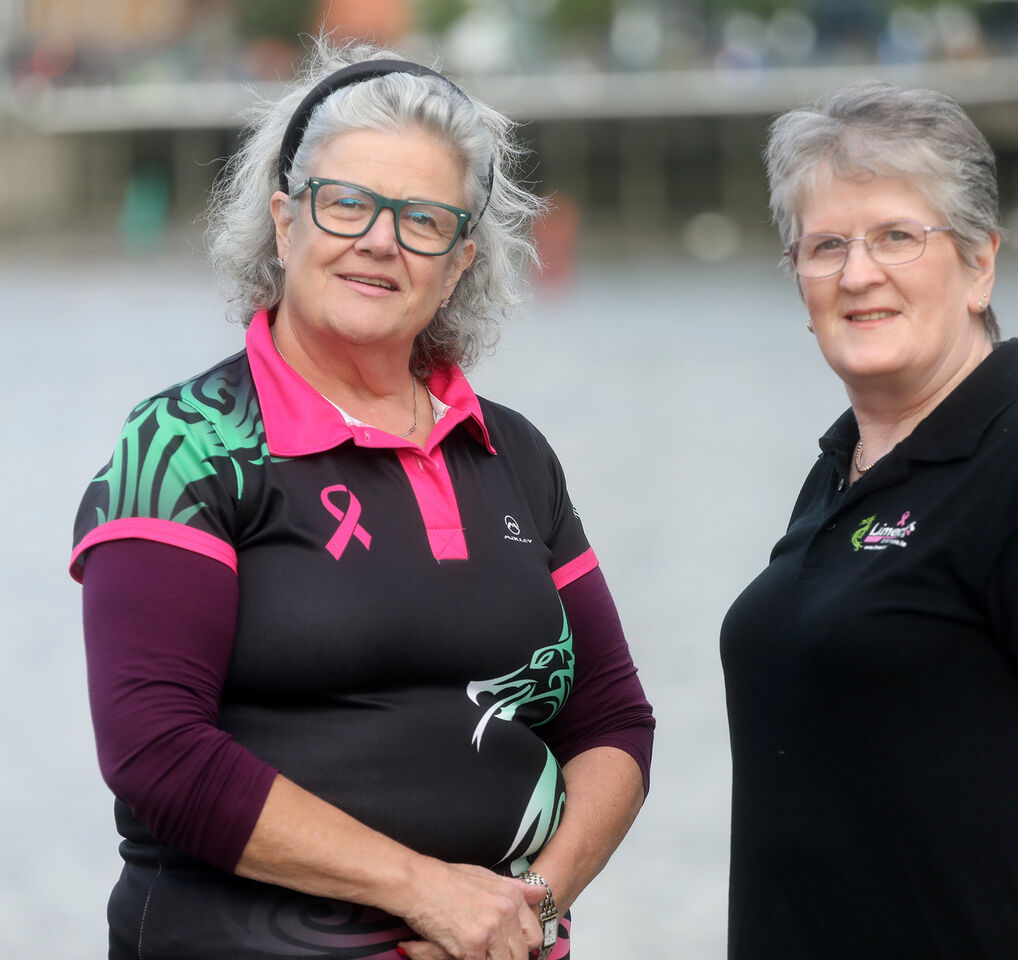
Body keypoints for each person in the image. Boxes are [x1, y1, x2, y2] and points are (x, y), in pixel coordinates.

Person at [70, 39, 654, 960]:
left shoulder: (514, 453)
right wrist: (429, 895)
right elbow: (155, 751)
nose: (380, 240)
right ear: (285, 219)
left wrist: (530, 905)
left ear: (461, 260)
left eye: (424, 220)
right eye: (346, 203)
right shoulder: (184, 443)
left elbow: (614, 719)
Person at [720, 80, 1018, 960]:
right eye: (826, 246)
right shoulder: (841, 474)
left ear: (980, 263)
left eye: (898, 235)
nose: (858, 273)